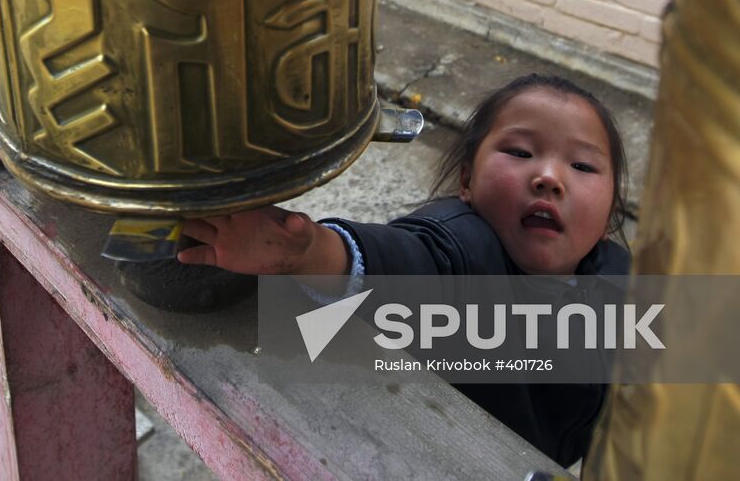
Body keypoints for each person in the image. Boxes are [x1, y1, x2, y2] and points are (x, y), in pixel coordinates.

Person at [176, 72, 633, 467]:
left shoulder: (618, 274)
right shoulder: (460, 250)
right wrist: (311, 252)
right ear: (467, 182)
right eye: (519, 152)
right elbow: (406, 266)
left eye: (582, 164)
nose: (549, 176)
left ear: (611, 209)